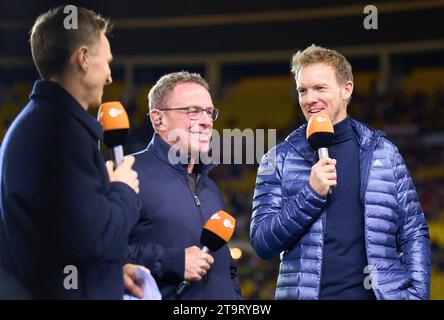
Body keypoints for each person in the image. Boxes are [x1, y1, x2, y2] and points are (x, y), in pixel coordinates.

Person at [250, 44, 431, 300]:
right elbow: (262, 242)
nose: (310, 98)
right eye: (303, 90)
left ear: (347, 89)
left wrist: (417, 295)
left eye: (320, 88)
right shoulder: (278, 158)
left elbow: (413, 231)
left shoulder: (384, 153)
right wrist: (310, 194)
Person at [0, 6, 141, 299]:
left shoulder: (39, 123)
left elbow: (66, 239)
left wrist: (109, 273)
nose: (110, 77)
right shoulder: (60, 133)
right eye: (107, 62)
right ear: (84, 59)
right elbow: (96, 238)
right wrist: (123, 189)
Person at [125, 71, 242, 300]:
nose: (207, 121)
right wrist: (173, 261)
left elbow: (227, 270)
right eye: (193, 111)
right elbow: (98, 250)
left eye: (209, 112)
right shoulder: (127, 172)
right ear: (158, 119)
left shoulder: (210, 188)